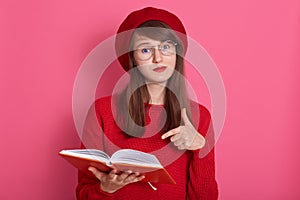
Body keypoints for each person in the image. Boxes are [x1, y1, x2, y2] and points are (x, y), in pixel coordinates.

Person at [76, 7, 218, 200]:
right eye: (145, 50)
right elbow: (83, 194)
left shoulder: (200, 116)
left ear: (177, 53)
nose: (157, 58)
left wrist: (201, 147)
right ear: (133, 58)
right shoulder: (102, 111)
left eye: (166, 47)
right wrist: (106, 189)